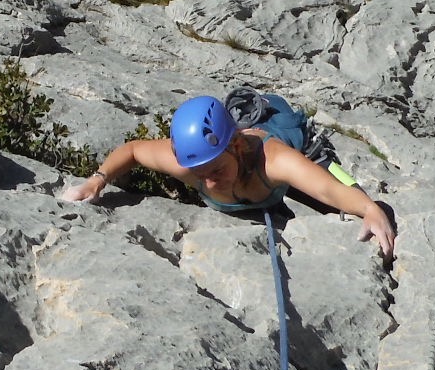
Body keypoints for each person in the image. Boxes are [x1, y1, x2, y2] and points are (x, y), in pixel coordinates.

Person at [66, 95, 396, 257]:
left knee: (331, 185)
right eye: (200, 174)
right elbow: (135, 150)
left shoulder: (275, 161)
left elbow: (328, 190)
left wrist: (369, 208)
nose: (209, 182)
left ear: (236, 146)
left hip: (288, 150)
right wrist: (97, 180)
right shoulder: (188, 161)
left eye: (217, 170)